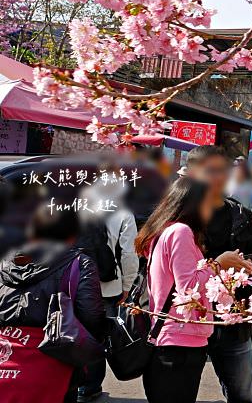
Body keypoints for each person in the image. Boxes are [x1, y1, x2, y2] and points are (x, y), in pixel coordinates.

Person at [135, 177, 252, 403]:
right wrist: (219, 264)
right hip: (179, 344)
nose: (211, 210)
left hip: (172, 341)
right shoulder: (180, 232)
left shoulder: (165, 231)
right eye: (209, 203)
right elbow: (189, 288)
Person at [184, 146, 252, 403]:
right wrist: (218, 264)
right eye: (211, 171)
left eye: (223, 170)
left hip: (234, 323)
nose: (218, 177)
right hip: (189, 321)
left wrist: (246, 264)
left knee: (243, 393)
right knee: (180, 394)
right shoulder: (180, 218)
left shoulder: (241, 214)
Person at [0, 204, 106, 403]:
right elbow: (92, 318)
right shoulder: (80, 263)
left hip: (5, 362)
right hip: (57, 361)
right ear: (71, 234)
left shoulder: (4, 262)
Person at [77, 166, 141, 402]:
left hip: (71, 283)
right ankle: (91, 387)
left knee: (69, 330)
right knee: (98, 336)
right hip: (106, 287)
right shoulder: (123, 212)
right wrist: (127, 286)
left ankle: (71, 383)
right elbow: (128, 254)